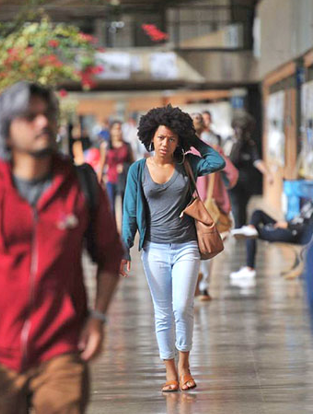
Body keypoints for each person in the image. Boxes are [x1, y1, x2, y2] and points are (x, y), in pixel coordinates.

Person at [0, 81, 124, 414]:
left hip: (63, 350)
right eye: (30, 116)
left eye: (47, 114)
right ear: (5, 129)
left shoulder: (79, 184)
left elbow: (110, 255)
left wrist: (97, 318)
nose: (43, 122)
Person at [121, 105, 225, 392]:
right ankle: (169, 370)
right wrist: (124, 248)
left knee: (182, 307)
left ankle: (184, 366)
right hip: (153, 250)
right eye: (161, 137)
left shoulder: (187, 164)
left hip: (186, 246)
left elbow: (216, 161)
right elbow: (129, 212)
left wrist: (192, 139)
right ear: (150, 138)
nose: (165, 143)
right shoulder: (138, 170)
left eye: (172, 138)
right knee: (163, 312)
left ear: (179, 140)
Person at [229, 174, 313, 280]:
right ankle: (251, 228)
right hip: (290, 227)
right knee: (258, 213)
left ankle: (249, 268)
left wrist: (288, 225)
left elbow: (308, 227)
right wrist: (286, 223)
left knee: (252, 234)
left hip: (294, 233)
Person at [190, 113, 239, 301]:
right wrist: (222, 188)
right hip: (209, 206)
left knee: (189, 246)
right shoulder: (214, 150)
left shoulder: (182, 152)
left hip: (187, 206)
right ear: (204, 129)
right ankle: (204, 287)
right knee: (206, 245)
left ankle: (190, 280)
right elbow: (232, 173)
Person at [223, 112, 274, 228]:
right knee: (236, 205)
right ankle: (238, 228)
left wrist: (268, 174)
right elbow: (225, 159)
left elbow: (257, 160)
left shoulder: (249, 143)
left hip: (246, 181)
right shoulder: (229, 141)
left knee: (243, 206)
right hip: (232, 181)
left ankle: (241, 228)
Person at [97, 120, 135, 226]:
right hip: (111, 179)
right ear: (111, 131)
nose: (118, 132)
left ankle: (125, 230)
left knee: (125, 207)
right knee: (111, 207)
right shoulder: (106, 146)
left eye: (119, 129)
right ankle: (112, 230)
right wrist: (99, 180)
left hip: (124, 179)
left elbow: (133, 163)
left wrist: (125, 167)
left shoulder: (127, 146)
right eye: (115, 129)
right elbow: (102, 163)